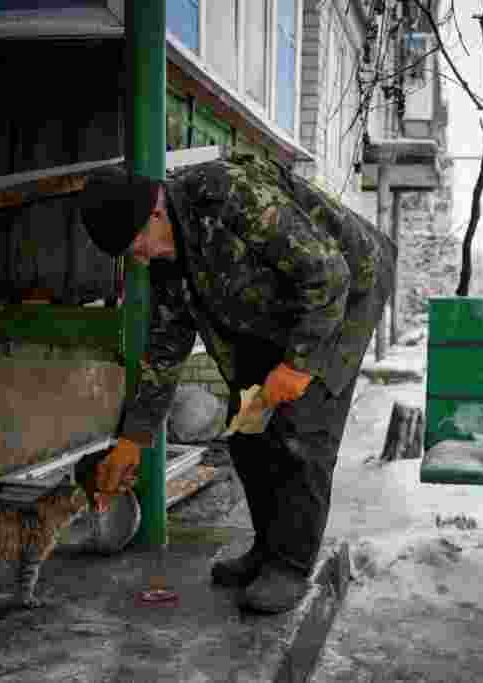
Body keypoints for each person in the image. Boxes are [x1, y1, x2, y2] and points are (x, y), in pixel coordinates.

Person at [76, 154, 396, 613]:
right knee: (246, 429)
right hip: (278, 313)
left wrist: (298, 366)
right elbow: (165, 349)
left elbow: (327, 276)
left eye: (137, 245)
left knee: (301, 431)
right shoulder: (168, 258)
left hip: (345, 293)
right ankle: (267, 549)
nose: (140, 259)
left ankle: (290, 566)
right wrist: (133, 440)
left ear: (155, 212)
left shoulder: (229, 194)